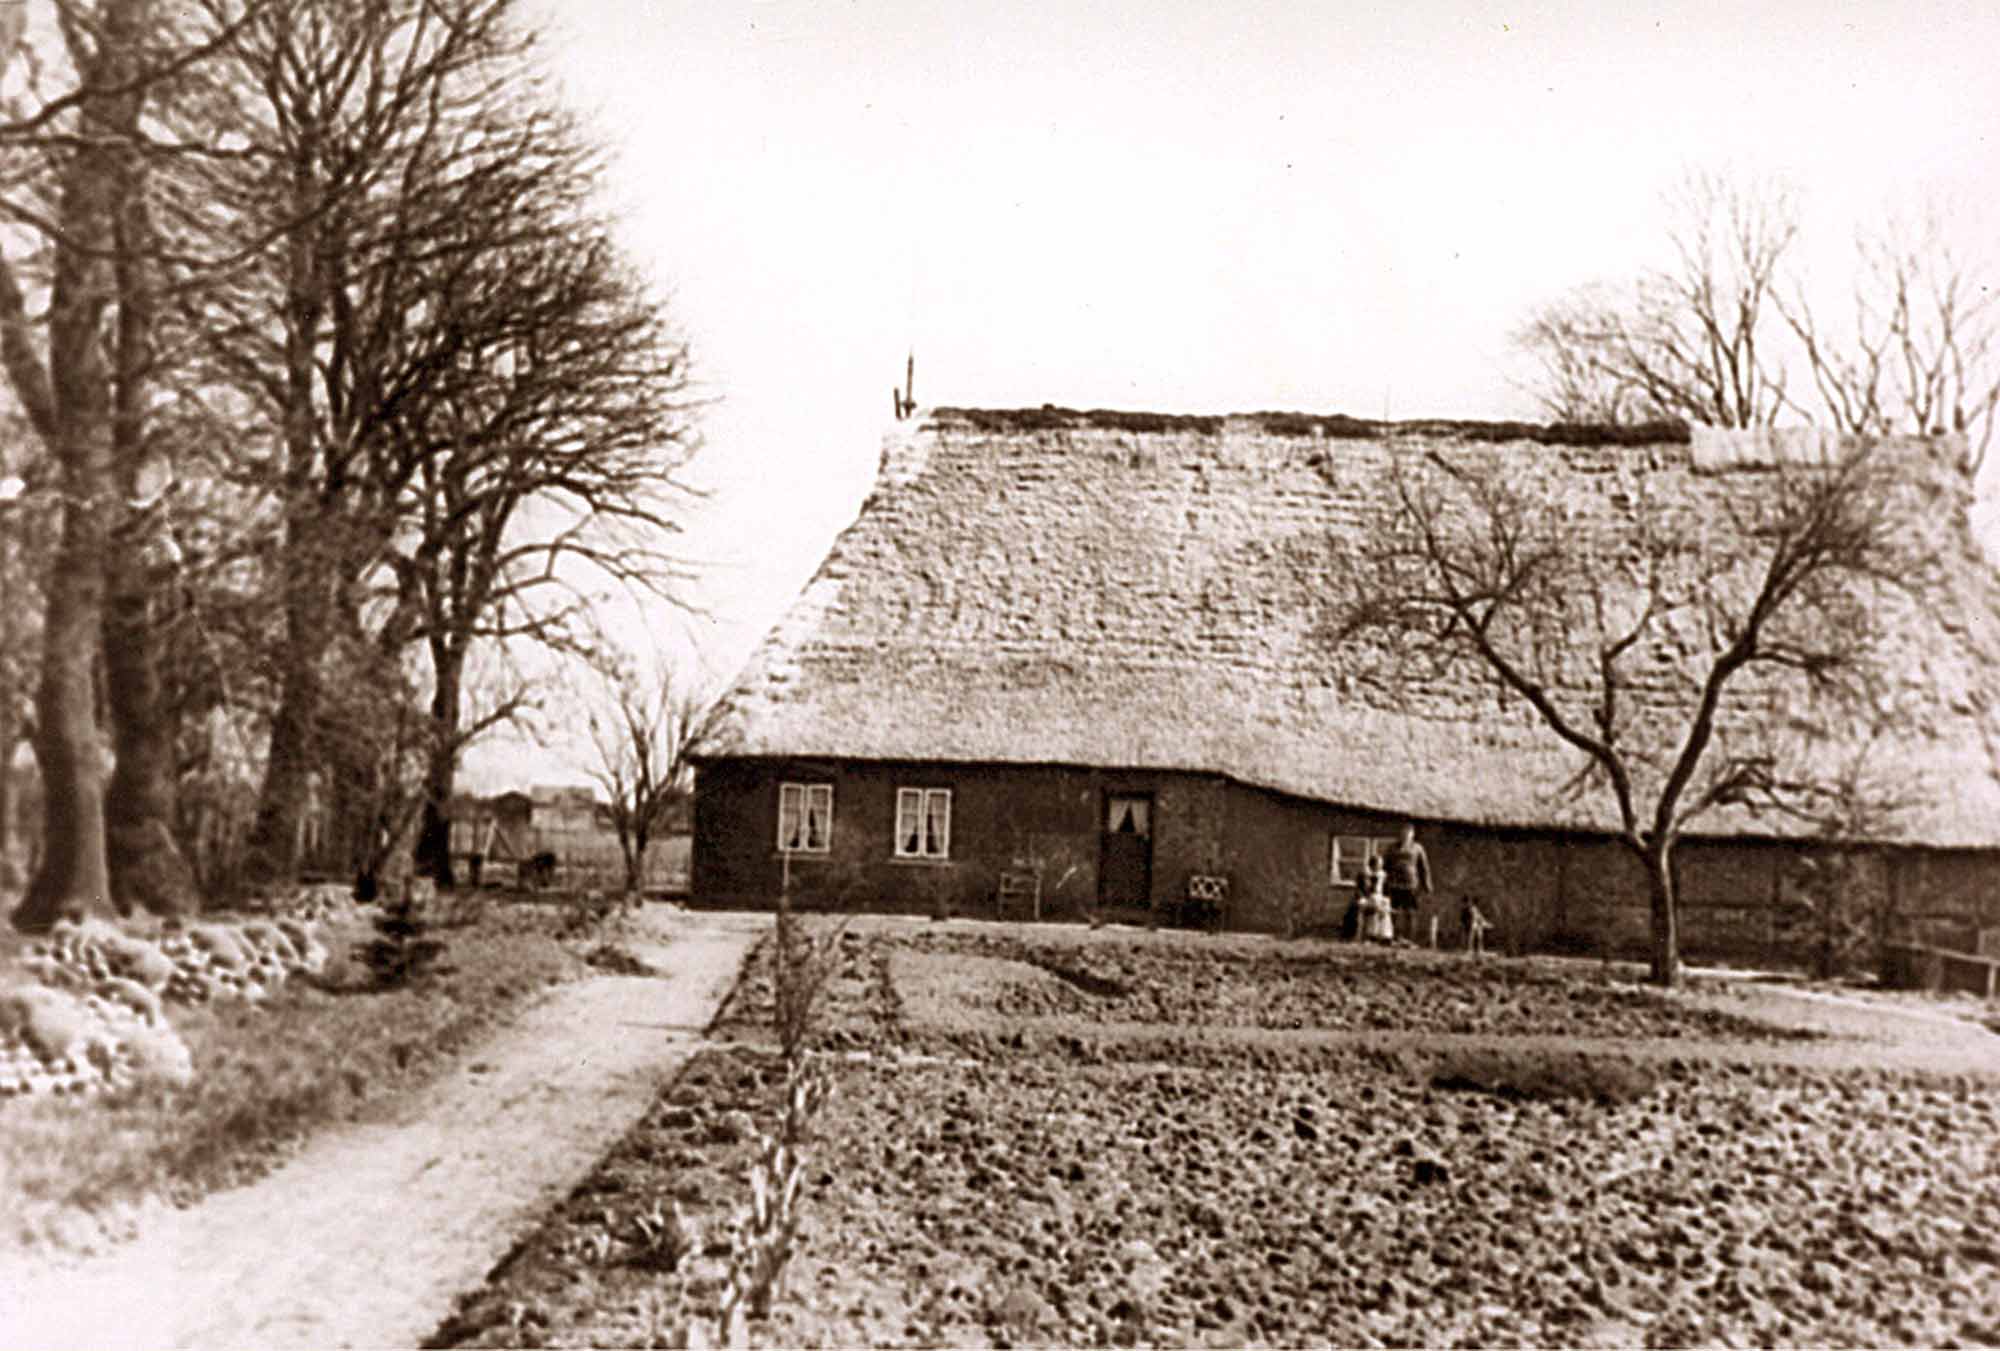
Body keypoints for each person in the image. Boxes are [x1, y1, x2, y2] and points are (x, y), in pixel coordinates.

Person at [1381, 823, 1432, 941]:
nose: (1405, 835)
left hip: (1410, 885)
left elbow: (1424, 868)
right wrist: (1383, 882)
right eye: (1403, 833)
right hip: (1394, 884)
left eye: (1408, 833)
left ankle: (1409, 938)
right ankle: (1392, 936)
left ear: (1412, 835)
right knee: (1393, 911)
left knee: (1410, 912)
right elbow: (1385, 865)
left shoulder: (1417, 848)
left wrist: (1427, 885)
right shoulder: (1392, 848)